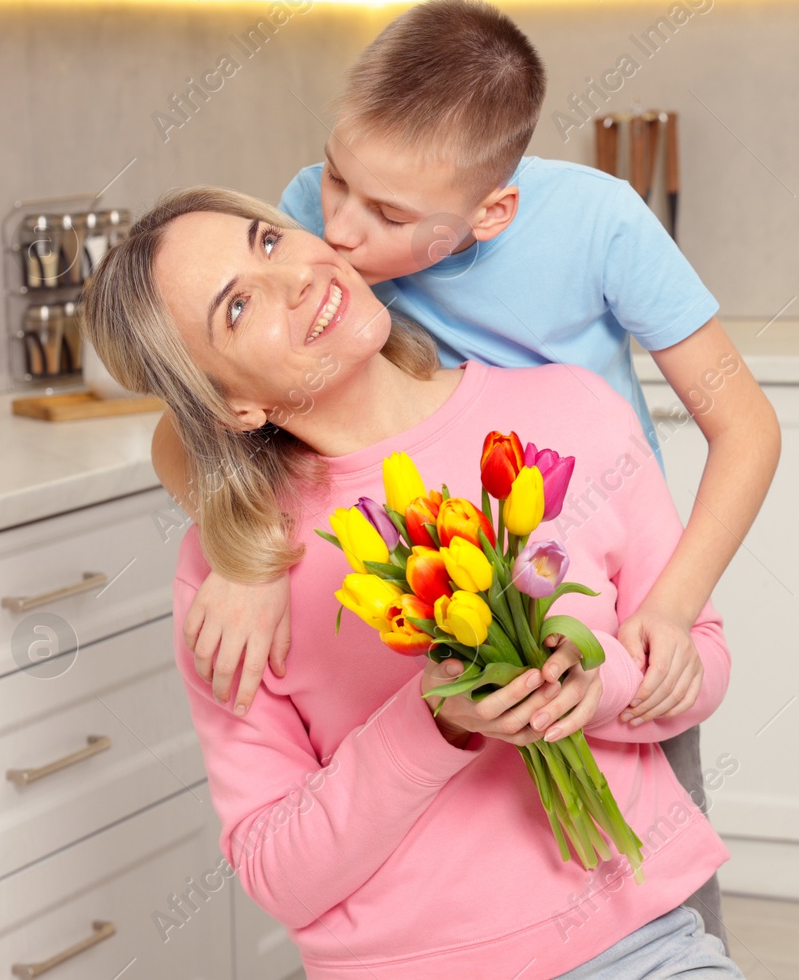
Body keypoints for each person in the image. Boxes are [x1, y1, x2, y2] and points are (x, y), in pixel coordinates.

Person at [150, 0, 779, 943]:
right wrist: (248, 554)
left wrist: (668, 613)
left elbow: (747, 425)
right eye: (336, 181)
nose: (345, 236)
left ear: (493, 211)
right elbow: (188, 422)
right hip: (435, 570)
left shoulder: (601, 224)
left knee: (656, 882)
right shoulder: (305, 223)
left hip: (593, 581)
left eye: (391, 213)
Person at [83, 186, 746, 980]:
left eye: (267, 241)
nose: (291, 277)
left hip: (635, 948)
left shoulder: (568, 408)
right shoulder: (234, 574)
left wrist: (594, 684)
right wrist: (434, 722)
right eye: (236, 308)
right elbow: (275, 870)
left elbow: (699, 659)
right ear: (233, 404)